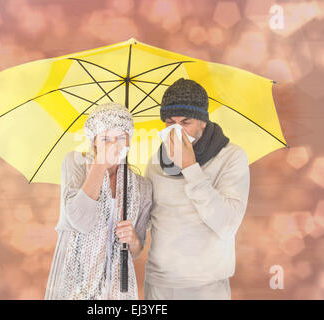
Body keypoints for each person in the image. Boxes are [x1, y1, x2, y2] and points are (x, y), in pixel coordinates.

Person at [143, 78, 250, 300]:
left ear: (203, 121)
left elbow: (227, 224)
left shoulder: (231, 157)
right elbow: (146, 221)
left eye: (185, 122)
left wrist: (191, 168)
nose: (176, 130)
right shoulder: (155, 161)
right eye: (170, 122)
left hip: (206, 286)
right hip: (159, 284)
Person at [44, 102, 153, 300]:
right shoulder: (75, 164)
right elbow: (80, 220)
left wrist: (132, 239)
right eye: (105, 138)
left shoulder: (141, 187)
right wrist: (100, 164)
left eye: (120, 137)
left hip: (118, 288)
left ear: (129, 141)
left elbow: (137, 250)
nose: (114, 145)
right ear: (94, 141)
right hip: (77, 283)